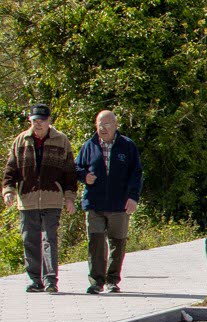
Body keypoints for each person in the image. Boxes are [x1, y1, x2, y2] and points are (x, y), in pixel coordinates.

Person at [2, 103, 77, 293]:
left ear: (49, 121)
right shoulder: (21, 141)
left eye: (42, 121)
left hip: (52, 198)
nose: (38, 124)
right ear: (30, 121)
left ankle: (50, 280)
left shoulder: (61, 141)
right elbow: (11, 170)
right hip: (27, 200)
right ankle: (35, 280)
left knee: (49, 239)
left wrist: (70, 197)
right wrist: (8, 190)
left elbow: (69, 172)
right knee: (30, 240)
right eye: (35, 121)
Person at [75, 109, 143, 294]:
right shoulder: (89, 146)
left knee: (117, 242)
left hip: (119, 204)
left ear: (115, 125)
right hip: (95, 204)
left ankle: (113, 280)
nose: (103, 128)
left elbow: (136, 174)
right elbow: (76, 167)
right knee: (95, 243)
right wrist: (83, 176)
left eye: (107, 124)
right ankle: (96, 281)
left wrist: (133, 198)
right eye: (99, 124)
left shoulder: (127, 146)